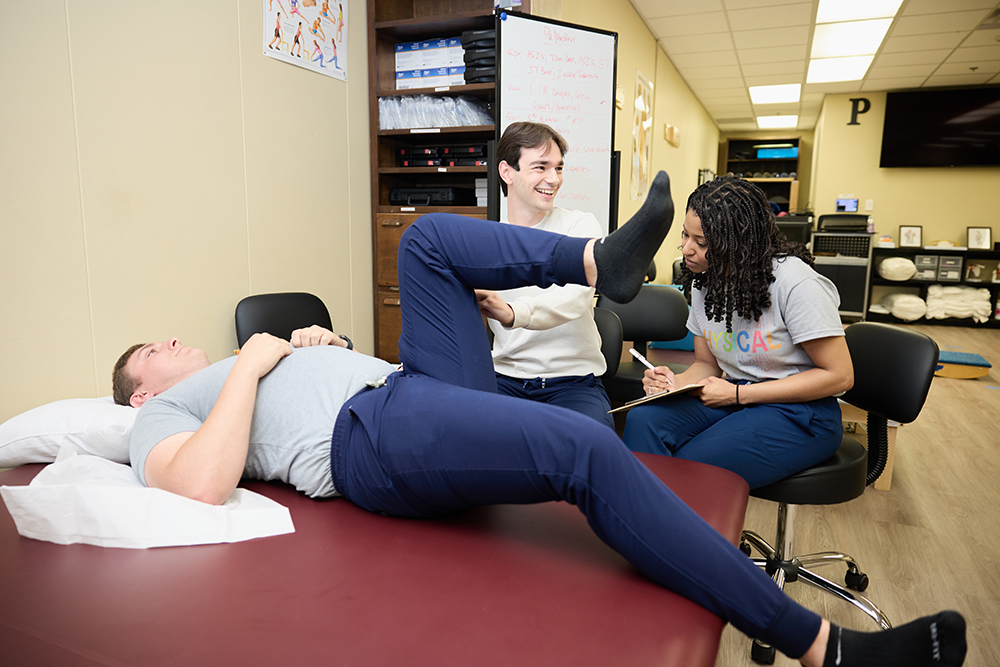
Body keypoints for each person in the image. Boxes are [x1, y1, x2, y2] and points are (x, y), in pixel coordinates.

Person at [112, 173, 965, 667]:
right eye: (154, 346)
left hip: (402, 387)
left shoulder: (242, 367)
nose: (175, 339)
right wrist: (256, 366)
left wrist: (309, 347)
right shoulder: (166, 415)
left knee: (423, 243)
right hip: (369, 440)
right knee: (585, 446)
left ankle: (598, 259)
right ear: (141, 392)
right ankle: (825, 648)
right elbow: (200, 484)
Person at [623, 176, 852, 489]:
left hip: (800, 412)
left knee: (689, 465)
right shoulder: (705, 280)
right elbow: (706, 366)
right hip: (735, 395)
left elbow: (839, 376)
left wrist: (738, 394)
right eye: (685, 235)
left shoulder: (797, 284)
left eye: (702, 243)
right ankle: (642, 524)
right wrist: (673, 384)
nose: (687, 250)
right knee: (643, 420)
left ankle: (681, 529)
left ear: (738, 242)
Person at [475, 121, 613, 429]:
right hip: (505, 379)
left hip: (574, 382)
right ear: (507, 172)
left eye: (559, 168)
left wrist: (513, 313)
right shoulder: (485, 240)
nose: (554, 179)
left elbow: (576, 298)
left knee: (593, 450)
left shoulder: (580, 227)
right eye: (541, 167)